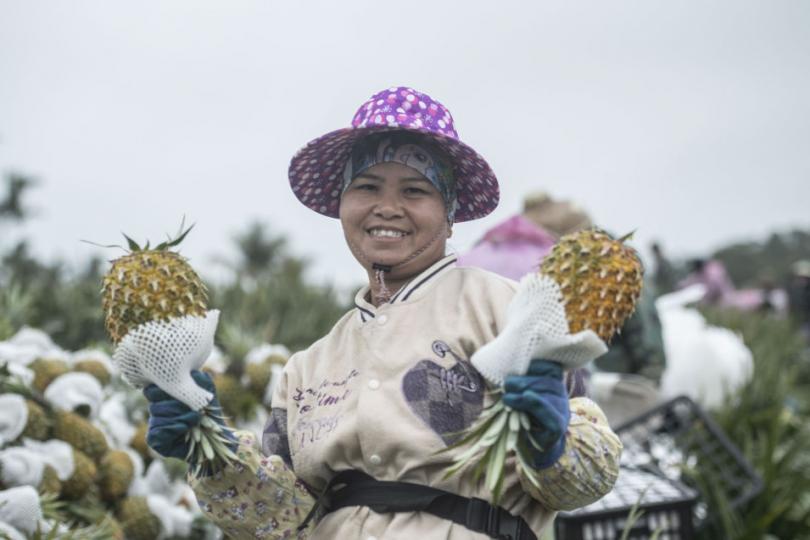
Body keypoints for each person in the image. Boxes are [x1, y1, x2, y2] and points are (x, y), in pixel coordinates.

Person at [144, 87, 621, 539]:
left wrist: (552, 441)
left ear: (449, 212)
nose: (387, 208)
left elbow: (588, 481)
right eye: (367, 186)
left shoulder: (510, 313)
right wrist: (210, 448)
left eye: (414, 191)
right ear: (342, 206)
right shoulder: (307, 368)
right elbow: (282, 520)